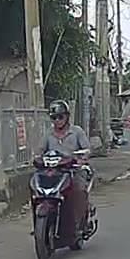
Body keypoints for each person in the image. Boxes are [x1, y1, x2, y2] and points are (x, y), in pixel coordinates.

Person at [39, 100, 91, 242]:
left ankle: (79, 224)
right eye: (54, 118)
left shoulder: (77, 132)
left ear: (67, 116)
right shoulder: (48, 134)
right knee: (37, 188)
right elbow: (40, 151)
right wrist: (38, 158)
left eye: (60, 117)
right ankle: (42, 222)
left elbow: (87, 150)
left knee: (79, 190)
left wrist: (81, 159)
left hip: (73, 171)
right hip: (54, 172)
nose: (57, 120)